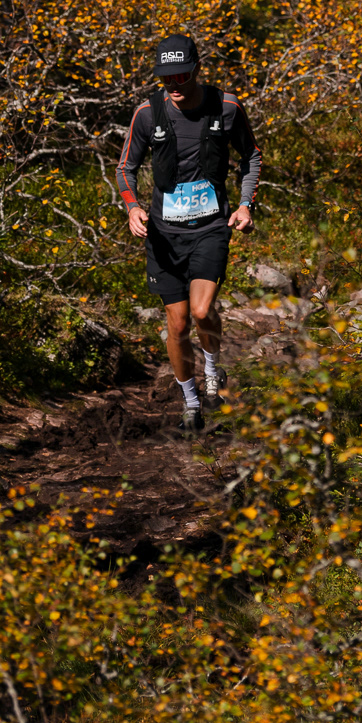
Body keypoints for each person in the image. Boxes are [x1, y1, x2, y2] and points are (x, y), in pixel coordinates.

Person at [118, 35, 260, 431]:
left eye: (181, 75)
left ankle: (212, 369)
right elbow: (126, 167)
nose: (174, 83)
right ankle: (191, 402)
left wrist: (245, 204)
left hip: (211, 227)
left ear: (197, 69)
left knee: (200, 311)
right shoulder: (148, 113)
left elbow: (251, 155)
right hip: (164, 234)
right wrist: (132, 207)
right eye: (166, 77)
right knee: (178, 324)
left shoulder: (226, 107)